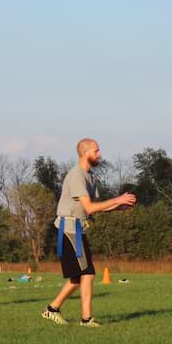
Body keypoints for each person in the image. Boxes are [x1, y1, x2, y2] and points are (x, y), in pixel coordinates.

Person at [42, 138, 137, 327]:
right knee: (87, 273)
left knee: (78, 277)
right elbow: (90, 208)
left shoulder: (90, 177)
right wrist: (117, 198)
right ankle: (86, 319)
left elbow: (96, 207)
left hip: (77, 229)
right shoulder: (76, 175)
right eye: (96, 151)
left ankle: (52, 309)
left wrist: (120, 206)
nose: (99, 154)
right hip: (69, 229)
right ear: (85, 153)